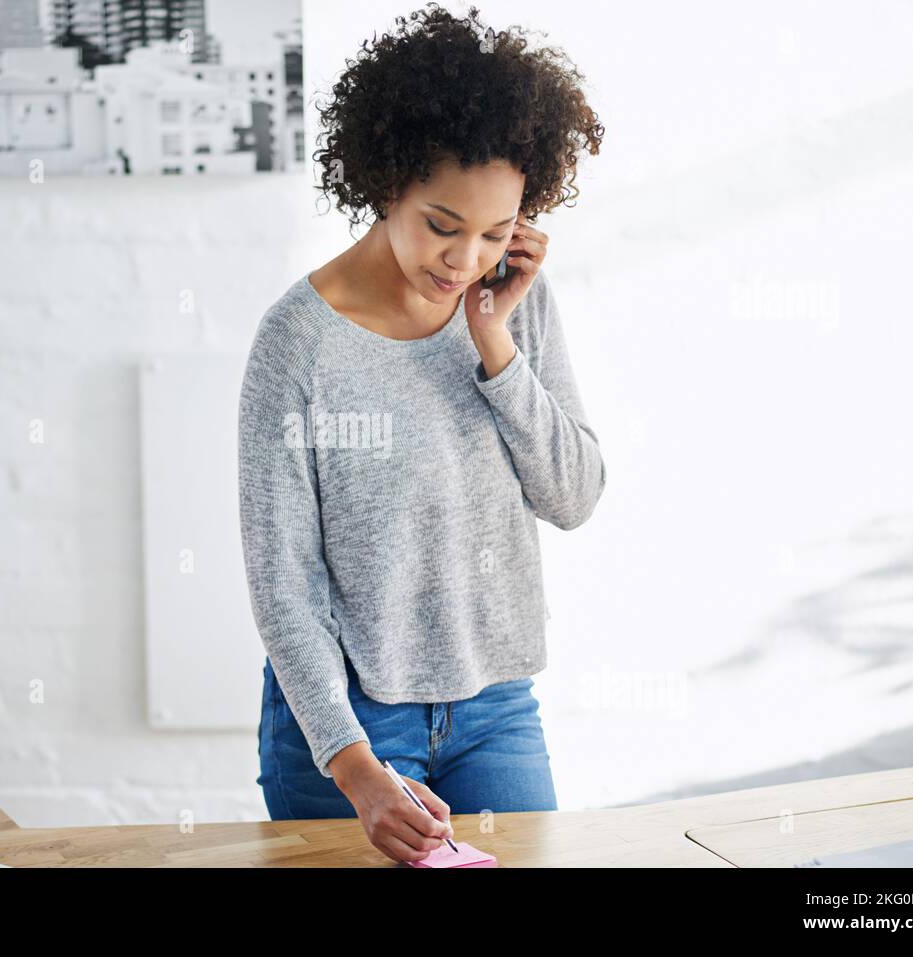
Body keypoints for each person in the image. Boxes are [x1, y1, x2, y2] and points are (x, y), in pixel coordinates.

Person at [238, 3, 607, 865]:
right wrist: (355, 765)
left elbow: (574, 496)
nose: (466, 258)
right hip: (346, 724)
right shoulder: (299, 342)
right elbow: (282, 582)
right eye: (443, 225)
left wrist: (495, 345)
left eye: (494, 230)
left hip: (495, 706)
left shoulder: (514, 301)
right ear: (386, 180)